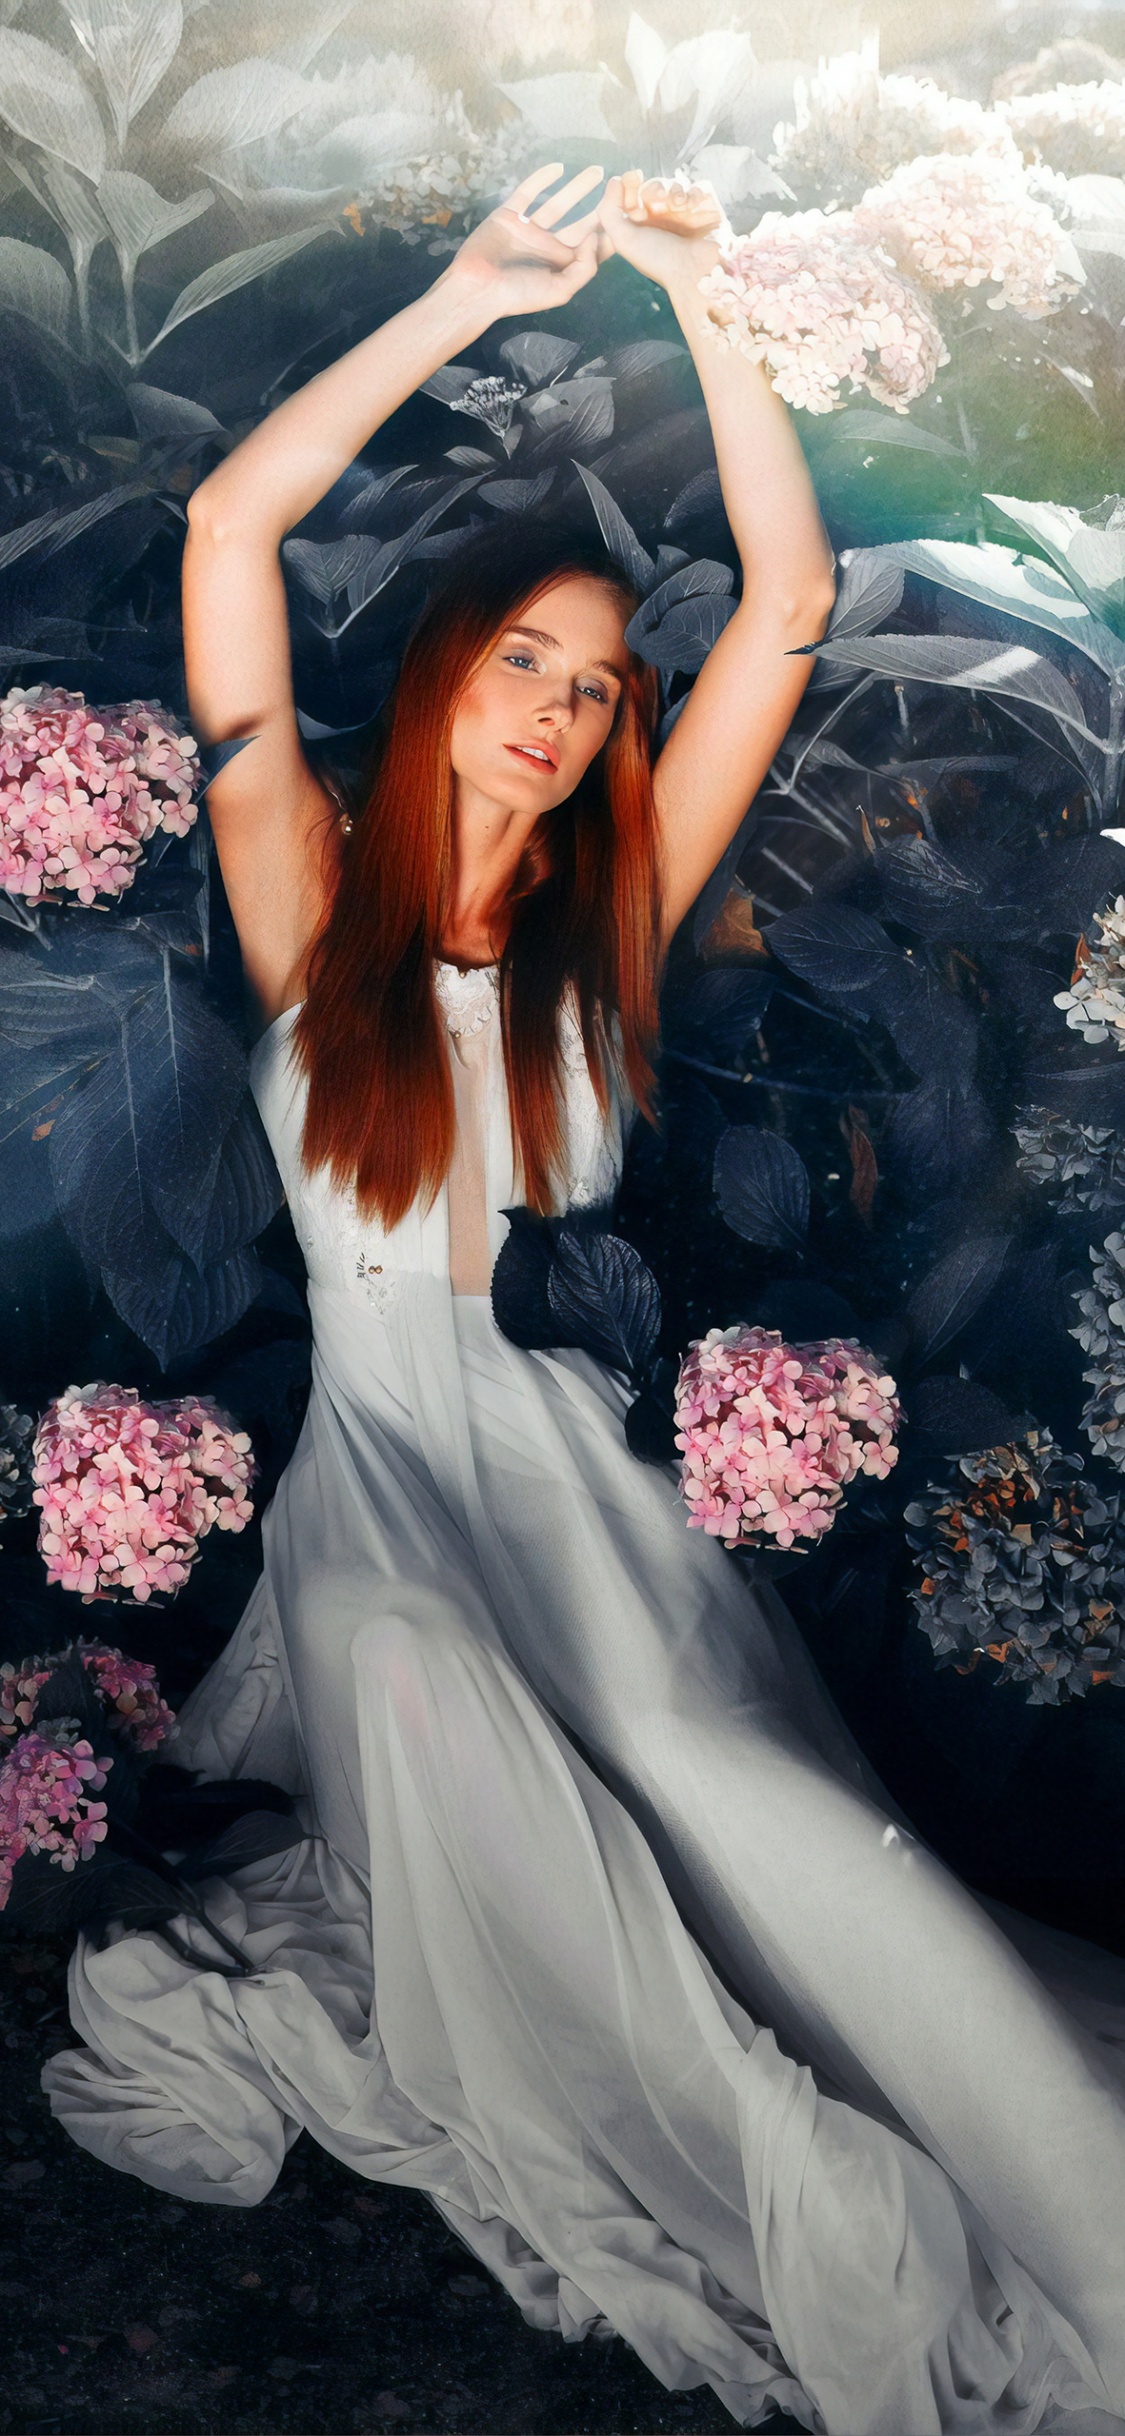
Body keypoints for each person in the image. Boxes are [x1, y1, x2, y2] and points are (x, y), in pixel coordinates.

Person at [44, 166, 1125, 2436]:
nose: (552, 713)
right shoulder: (302, 894)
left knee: (741, 1801)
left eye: (595, 687)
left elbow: (790, 604)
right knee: (416, 1680)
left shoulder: (604, 935)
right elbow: (233, 530)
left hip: (565, 1480)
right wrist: (465, 295)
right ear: (447, 674)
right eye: (519, 665)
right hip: (380, 1484)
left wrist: (712, 302)